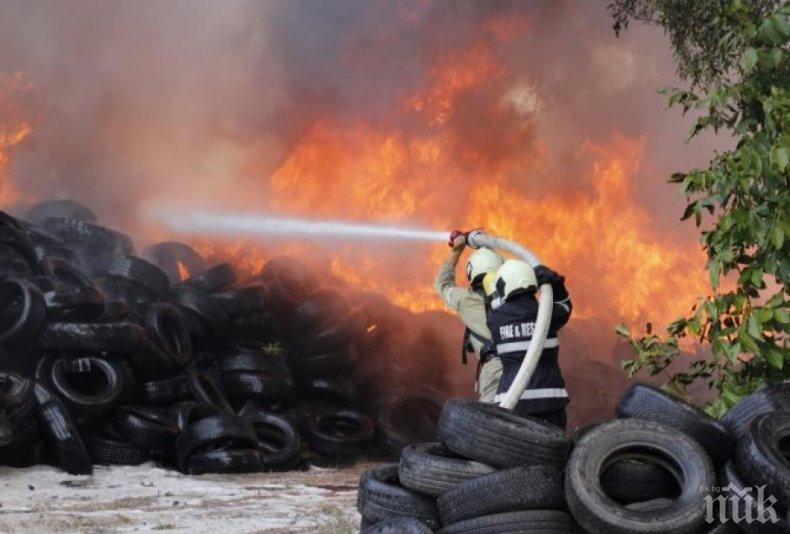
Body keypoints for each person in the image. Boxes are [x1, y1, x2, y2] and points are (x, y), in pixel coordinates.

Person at [487, 259, 572, 429]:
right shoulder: (548, 313)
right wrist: (556, 284)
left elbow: (496, 304)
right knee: (554, 445)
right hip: (550, 401)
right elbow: (565, 307)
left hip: (512, 401)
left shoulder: (496, 319)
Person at [434, 233, 503, 403]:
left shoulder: (466, 299)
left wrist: (456, 251)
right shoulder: (518, 298)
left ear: (471, 272)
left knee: (490, 418)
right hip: (527, 365)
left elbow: (442, 284)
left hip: (495, 370)